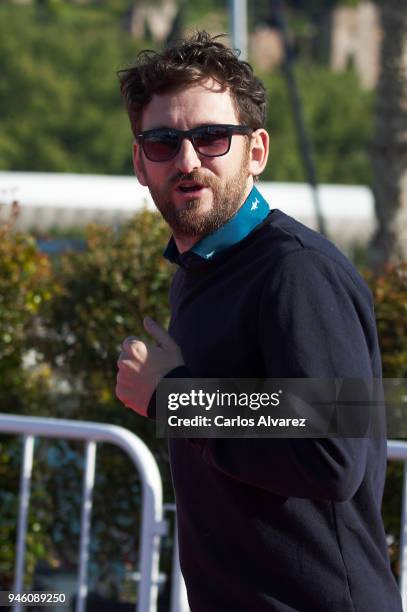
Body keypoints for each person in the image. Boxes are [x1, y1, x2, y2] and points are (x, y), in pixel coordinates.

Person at [115, 31, 402, 612]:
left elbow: (333, 451)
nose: (189, 161)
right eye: (165, 142)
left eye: (212, 138)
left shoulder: (298, 271)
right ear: (141, 164)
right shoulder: (201, 270)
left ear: (257, 151)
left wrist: (173, 397)